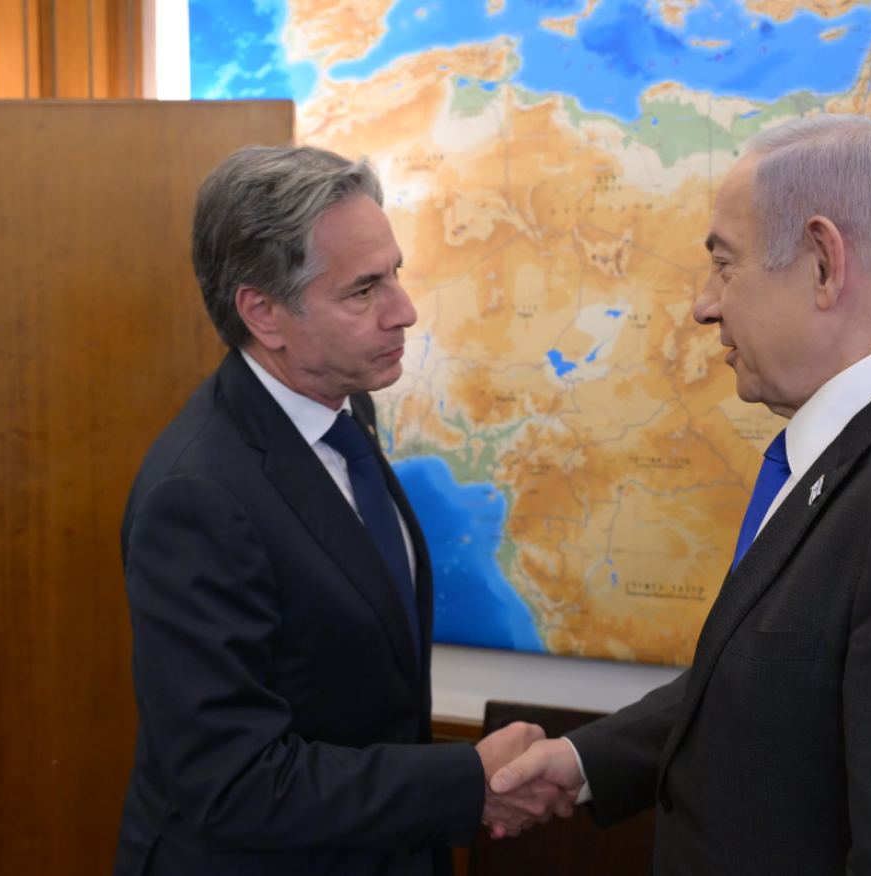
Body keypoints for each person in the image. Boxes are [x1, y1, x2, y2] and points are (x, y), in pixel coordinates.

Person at [490, 114, 871, 874]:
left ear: (821, 262)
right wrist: (585, 762)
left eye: (725, 263)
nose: (703, 304)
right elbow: (782, 684)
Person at [113, 145, 563, 876]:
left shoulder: (345, 405)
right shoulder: (195, 498)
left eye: (395, 274)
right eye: (362, 291)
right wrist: (466, 783)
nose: (403, 311)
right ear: (263, 313)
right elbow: (233, 784)